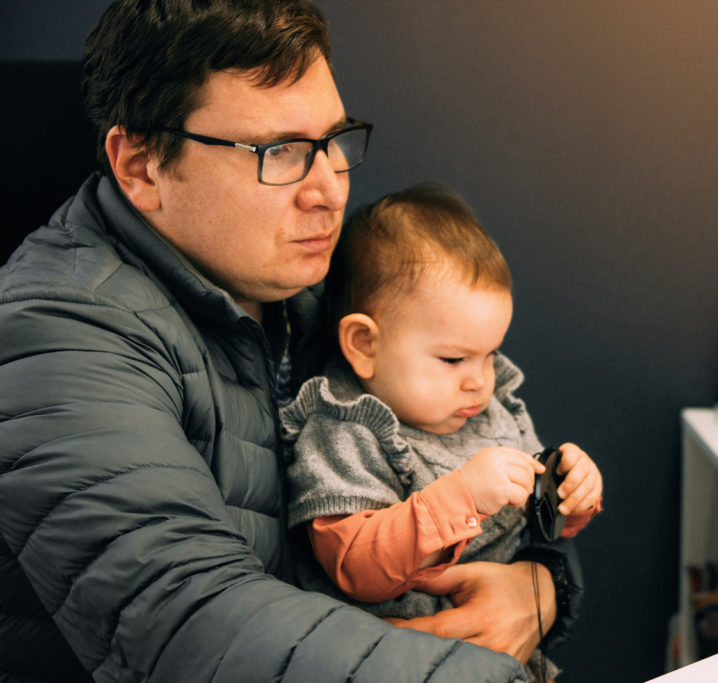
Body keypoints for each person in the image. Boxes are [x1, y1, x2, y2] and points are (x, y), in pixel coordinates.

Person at [0, 2, 582, 681]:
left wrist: (539, 589)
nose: (330, 188)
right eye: (280, 152)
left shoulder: (318, 279)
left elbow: (491, 457)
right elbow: (191, 621)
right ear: (141, 165)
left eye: (332, 141)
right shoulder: (58, 336)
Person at [280, 184, 603, 681]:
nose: (479, 380)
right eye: (453, 359)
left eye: (489, 354)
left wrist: (569, 494)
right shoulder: (344, 426)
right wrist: (464, 497)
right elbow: (355, 566)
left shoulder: (489, 410)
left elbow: (536, 526)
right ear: (364, 344)